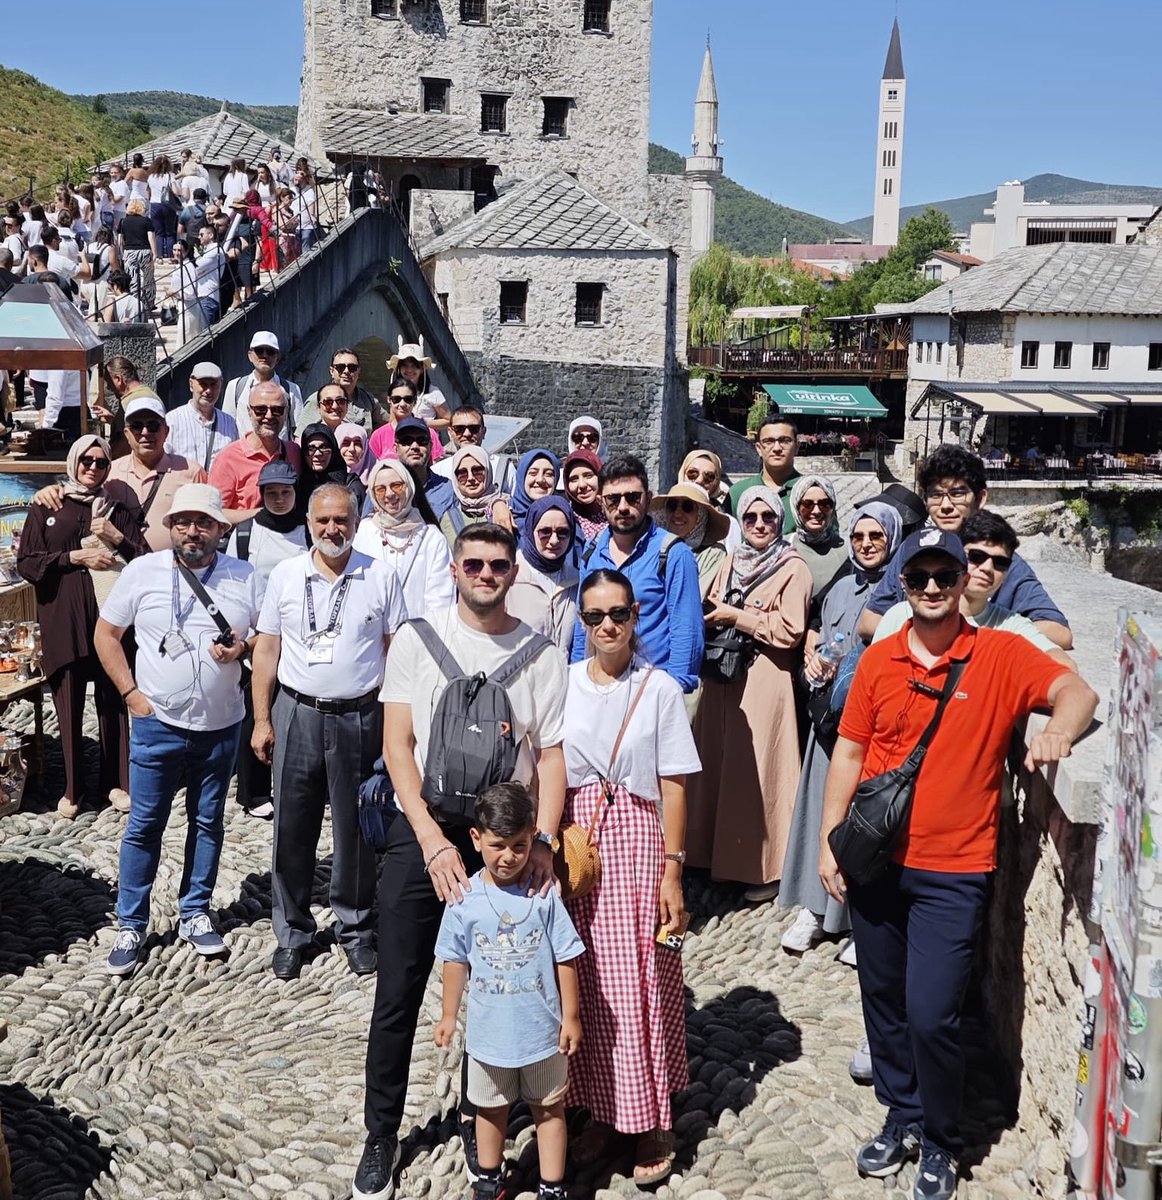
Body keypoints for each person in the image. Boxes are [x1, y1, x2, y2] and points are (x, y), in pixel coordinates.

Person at [818, 528, 1098, 1200]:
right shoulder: (882, 660)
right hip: (876, 860)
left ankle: (942, 1139)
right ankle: (903, 1112)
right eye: (922, 578)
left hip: (954, 869)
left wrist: (1059, 727)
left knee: (932, 1011)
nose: (936, 588)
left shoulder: (1000, 654)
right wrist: (831, 839)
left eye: (948, 575)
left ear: (964, 582)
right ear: (905, 586)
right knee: (882, 1001)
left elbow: (1078, 693)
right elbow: (851, 754)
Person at [356, 523, 567, 1200]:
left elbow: (554, 755)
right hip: (427, 835)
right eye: (473, 563)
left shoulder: (541, 655)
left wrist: (544, 841)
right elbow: (397, 746)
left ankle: (491, 1132)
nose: (486, 574)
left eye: (498, 564)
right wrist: (430, 839)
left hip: (506, 843)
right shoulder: (417, 640)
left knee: (506, 984)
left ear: (514, 572)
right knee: (399, 991)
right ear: (453, 568)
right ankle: (381, 1134)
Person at [563, 569, 700, 1187]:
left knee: (640, 977)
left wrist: (674, 869)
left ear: (635, 615)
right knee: (583, 979)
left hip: (639, 842)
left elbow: (674, 782)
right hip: (576, 844)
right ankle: (598, 1109)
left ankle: (649, 1118)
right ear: (582, 623)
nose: (608, 626)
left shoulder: (660, 689)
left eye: (618, 613)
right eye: (595, 617)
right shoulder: (563, 684)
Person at [95, 484, 261, 978]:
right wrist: (130, 693)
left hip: (220, 725)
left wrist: (242, 649)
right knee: (144, 825)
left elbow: (265, 641)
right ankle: (131, 922)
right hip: (156, 725)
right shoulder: (143, 571)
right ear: (170, 527)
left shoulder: (246, 577)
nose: (193, 531)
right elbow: (106, 635)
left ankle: (194, 911)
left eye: (204, 523)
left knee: (208, 822)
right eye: (183, 522)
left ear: (221, 529)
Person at [252, 484, 405, 979]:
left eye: (341, 520)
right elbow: (267, 651)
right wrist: (261, 719)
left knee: (355, 829)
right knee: (291, 829)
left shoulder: (379, 575)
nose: (332, 529)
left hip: (359, 715)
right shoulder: (286, 575)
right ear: (309, 525)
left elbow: (396, 651)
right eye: (323, 522)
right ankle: (292, 931)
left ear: (356, 524)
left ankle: (355, 929)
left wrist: (396, 729)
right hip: (296, 711)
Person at [434, 782, 584, 1200]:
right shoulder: (464, 899)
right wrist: (449, 1015)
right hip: (488, 1037)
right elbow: (454, 959)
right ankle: (488, 1178)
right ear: (476, 839)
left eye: (520, 845)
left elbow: (566, 956)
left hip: (543, 1034)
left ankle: (552, 1186)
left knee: (550, 1108)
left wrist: (571, 1017)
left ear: (533, 835)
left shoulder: (544, 892)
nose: (509, 857)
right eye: (498, 845)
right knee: (490, 1109)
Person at [777, 501, 903, 954]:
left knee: (863, 818)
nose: (866, 545)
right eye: (858, 537)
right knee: (820, 810)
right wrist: (815, 661)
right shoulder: (841, 587)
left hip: (872, 727)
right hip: (830, 720)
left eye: (877, 537)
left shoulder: (901, 593)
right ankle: (815, 908)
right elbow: (824, 638)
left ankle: (855, 922)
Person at [687, 487, 812, 899]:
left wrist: (736, 616)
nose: (760, 525)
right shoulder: (730, 562)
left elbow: (791, 630)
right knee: (715, 766)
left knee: (757, 770)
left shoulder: (793, 567)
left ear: (780, 522)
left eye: (769, 518)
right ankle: (710, 858)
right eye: (752, 517)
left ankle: (763, 869)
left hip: (764, 676)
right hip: (724, 677)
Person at [17, 434, 147, 818]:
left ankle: (117, 782)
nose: (92, 468)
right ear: (74, 461)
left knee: (113, 700)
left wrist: (116, 538)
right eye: (86, 460)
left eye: (101, 462)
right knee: (69, 700)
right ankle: (72, 789)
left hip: (111, 624)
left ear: (109, 467)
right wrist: (73, 557)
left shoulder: (117, 508)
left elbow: (145, 560)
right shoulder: (48, 504)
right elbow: (28, 562)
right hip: (66, 620)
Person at [856, 446, 1072, 650]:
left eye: (957, 493)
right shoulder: (912, 550)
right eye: (936, 494)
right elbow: (869, 621)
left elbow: (1059, 632)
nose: (946, 506)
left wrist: (971, 634)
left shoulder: (998, 563)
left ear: (980, 498)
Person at [871, 511, 1077, 669]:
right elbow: (870, 679)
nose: (987, 568)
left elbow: (1064, 664)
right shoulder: (901, 615)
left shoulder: (1011, 627)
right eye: (977, 557)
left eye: (1000, 563)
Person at [570, 455, 704, 694]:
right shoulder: (591, 551)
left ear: (648, 498)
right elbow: (584, 628)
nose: (623, 507)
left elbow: (687, 629)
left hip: (652, 689)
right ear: (601, 502)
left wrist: (673, 689)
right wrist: (577, 678)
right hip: (600, 688)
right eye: (613, 499)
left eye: (633, 497)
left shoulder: (673, 554)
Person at [226, 460, 308, 820]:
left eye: (285, 492)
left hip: (303, 634)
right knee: (255, 711)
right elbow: (232, 583)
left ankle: (301, 783)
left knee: (298, 712)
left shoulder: (309, 530)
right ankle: (254, 790)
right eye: (271, 493)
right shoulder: (245, 532)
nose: (278, 499)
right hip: (259, 636)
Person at [352, 459, 455, 618]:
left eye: (397, 485)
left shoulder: (431, 537)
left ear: (409, 487)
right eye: (380, 489)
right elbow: (355, 586)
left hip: (418, 634)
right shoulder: (366, 530)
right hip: (372, 635)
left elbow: (441, 601)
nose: (390, 494)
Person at [209, 381, 304, 521]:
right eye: (260, 409)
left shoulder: (294, 452)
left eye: (277, 410)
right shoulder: (228, 458)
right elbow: (213, 512)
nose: (269, 416)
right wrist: (263, 515)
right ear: (249, 411)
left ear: (287, 411)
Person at [506, 496, 579, 656]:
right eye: (545, 532)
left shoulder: (575, 580)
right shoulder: (509, 577)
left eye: (563, 532)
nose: (554, 541)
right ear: (531, 531)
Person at [649, 482, 730, 600]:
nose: (677, 513)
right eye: (672, 506)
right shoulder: (652, 547)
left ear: (701, 515)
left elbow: (695, 597)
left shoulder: (713, 553)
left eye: (687, 507)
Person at [221, 331, 305, 439]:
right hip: (244, 453)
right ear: (250, 355)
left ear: (277, 357)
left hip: (279, 453)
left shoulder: (291, 389)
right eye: (259, 351)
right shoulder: (236, 386)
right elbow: (227, 427)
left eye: (270, 352)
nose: (264, 356)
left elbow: (299, 430)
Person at [789, 474, 850, 620]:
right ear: (796, 508)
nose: (816, 511)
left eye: (824, 504)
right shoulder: (783, 547)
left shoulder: (848, 549)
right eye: (807, 505)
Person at [727, 416, 801, 530]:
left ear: (797, 446)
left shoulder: (812, 492)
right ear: (758, 448)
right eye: (769, 441)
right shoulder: (737, 493)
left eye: (785, 441)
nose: (777, 448)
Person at [165, 362, 240, 472]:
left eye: (213, 384)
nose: (208, 391)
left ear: (221, 386)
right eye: (203, 384)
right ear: (191, 384)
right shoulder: (172, 420)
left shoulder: (229, 423)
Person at [381, 416, 455, 523]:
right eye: (407, 441)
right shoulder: (381, 488)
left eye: (422, 441)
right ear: (396, 448)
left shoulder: (448, 489)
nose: (415, 446)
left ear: (431, 446)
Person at [439, 446, 515, 545]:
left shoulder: (509, 507)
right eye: (462, 473)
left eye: (477, 470)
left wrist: (499, 503)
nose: (470, 478)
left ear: (488, 471)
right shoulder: (448, 518)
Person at [432, 404, 516, 493]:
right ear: (450, 433)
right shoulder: (438, 470)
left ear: (483, 432)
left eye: (473, 428)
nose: (467, 434)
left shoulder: (504, 468)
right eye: (459, 429)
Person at [300, 349, 381, 432]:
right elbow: (301, 436)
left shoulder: (368, 399)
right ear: (331, 371)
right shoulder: (318, 399)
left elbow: (388, 423)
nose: (346, 371)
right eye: (340, 367)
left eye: (352, 367)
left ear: (359, 371)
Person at [368, 379, 444, 462]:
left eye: (408, 399)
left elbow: (437, 466)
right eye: (396, 399)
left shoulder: (429, 433)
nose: (402, 404)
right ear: (389, 400)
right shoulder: (378, 436)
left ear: (415, 402)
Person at [387, 338, 449, 431]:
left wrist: (422, 422)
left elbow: (448, 420)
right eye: (405, 365)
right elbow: (392, 420)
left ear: (421, 369)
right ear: (399, 368)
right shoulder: (396, 392)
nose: (409, 370)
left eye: (414, 366)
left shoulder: (433, 392)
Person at [297, 422, 349, 513]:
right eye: (310, 448)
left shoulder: (350, 484)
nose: (318, 453)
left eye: (324, 447)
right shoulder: (295, 488)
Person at [510, 449, 562, 533]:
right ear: (521, 477)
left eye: (548, 474)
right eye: (533, 473)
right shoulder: (504, 517)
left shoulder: (564, 517)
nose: (540, 480)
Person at [119, 198, 156, 312]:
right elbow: (151, 237)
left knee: (133, 279)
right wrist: (155, 253)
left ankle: (135, 305)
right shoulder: (146, 221)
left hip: (129, 251)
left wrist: (121, 252)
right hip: (144, 250)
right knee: (148, 278)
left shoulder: (123, 221)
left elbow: (120, 240)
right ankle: (149, 303)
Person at [561, 448, 606, 542]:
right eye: (574, 479)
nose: (582, 485)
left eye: (588, 476)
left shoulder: (616, 513)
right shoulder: (564, 519)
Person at [335, 421, 373, 511]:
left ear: (365, 447)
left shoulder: (377, 476)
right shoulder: (327, 478)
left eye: (357, 443)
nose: (352, 449)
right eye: (346, 443)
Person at [146, 154, 178, 260]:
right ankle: (170, 256)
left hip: (154, 204)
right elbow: (176, 191)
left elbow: (148, 193)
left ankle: (159, 256)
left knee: (158, 233)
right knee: (169, 232)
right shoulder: (169, 175)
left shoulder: (151, 176)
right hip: (167, 205)